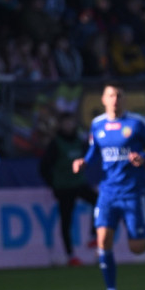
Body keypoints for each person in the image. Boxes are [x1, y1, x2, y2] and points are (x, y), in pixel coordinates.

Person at [73, 83, 145, 290]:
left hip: (132, 191)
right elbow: (95, 152)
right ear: (103, 100)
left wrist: (144, 156)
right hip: (107, 191)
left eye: (119, 95)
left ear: (124, 99)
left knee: (137, 248)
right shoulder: (97, 125)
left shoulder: (136, 123)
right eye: (111, 95)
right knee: (103, 240)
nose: (115, 99)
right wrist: (84, 161)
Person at [39, 111, 98, 266]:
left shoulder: (78, 141)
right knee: (66, 220)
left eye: (71, 122)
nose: (69, 125)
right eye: (66, 122)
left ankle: (93, 235)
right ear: (61, 125)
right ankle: (70, 255)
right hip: (64, 188)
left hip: (79, 183)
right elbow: (44, 167)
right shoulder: (56, 143)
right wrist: (54, 184)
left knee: (98, 201)